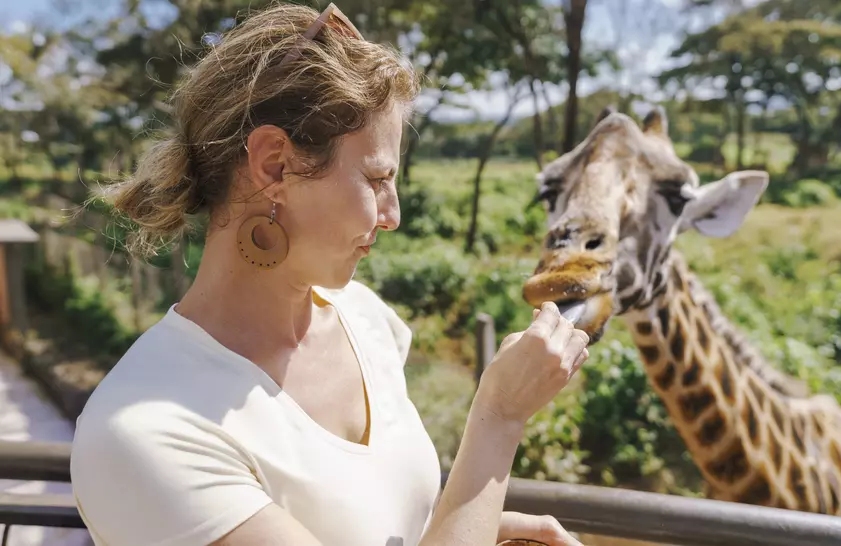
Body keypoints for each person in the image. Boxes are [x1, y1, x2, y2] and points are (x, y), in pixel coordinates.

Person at [68, 3, 590, 546]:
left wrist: (466, 526)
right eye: (376, 178)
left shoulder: (366, 321)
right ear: (274, 164)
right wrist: (499, 419)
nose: (394, 216)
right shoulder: (144, 432)